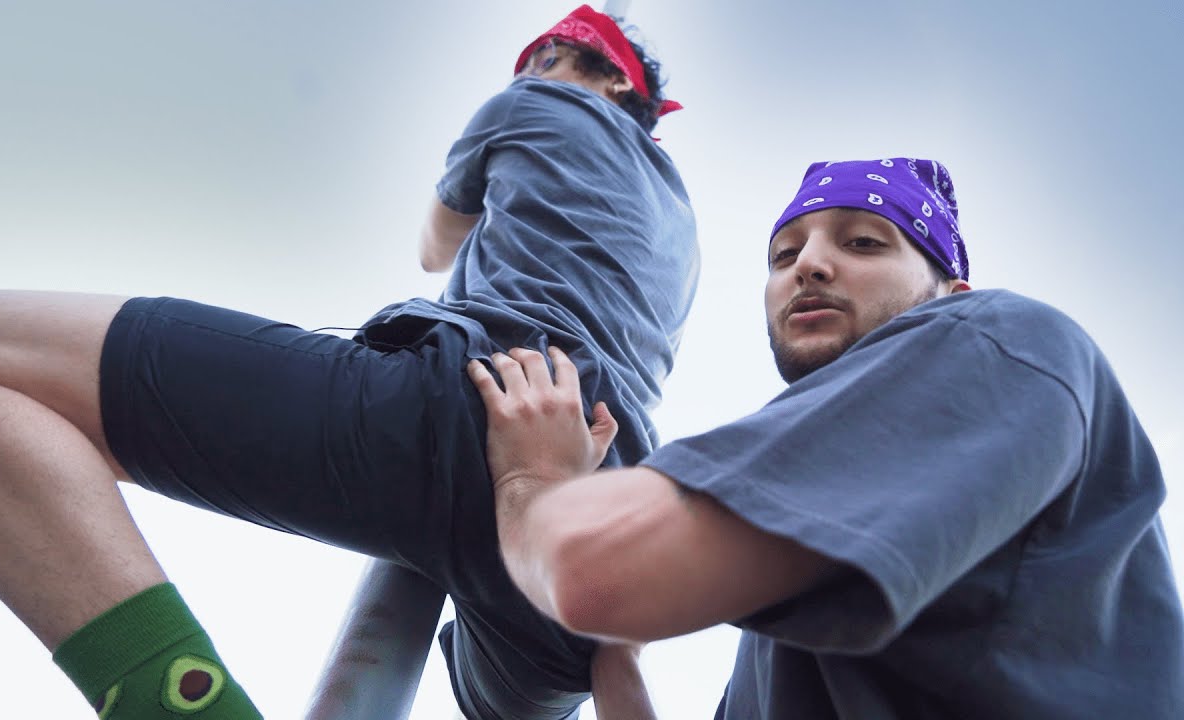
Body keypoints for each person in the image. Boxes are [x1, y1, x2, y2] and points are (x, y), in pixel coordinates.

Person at [0, 5, 698, 719]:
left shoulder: (534, 103)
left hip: (476, 401)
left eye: (544, 56)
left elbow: (435, 244)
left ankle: (182, 705)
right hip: (593, 517)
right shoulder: (683, 226)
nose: (528, 71)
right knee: (502, 692)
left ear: (590, 70)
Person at [470, 158, 1184, 719]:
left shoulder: (998, 338)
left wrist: (536, 481)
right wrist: (618, 656)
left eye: (865, 241)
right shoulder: (800, 580)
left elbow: (593, 571)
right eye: (783, 255)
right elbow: (609, 590)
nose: (807, 265)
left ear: (952, 293)